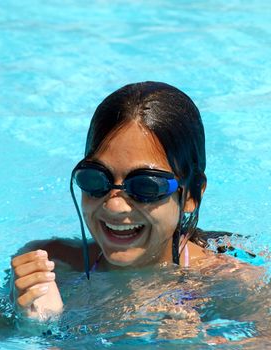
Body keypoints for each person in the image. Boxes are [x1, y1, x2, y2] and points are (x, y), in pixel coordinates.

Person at [11, 81, 213, 320]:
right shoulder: (50, 266)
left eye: (145, 185)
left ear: (192, 194)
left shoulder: (227, 282)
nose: (114, 206)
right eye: (96, 180)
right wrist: (31, 326)